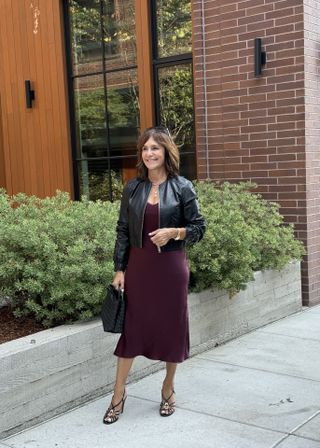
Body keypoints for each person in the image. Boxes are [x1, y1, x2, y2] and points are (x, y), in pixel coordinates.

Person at [103, 126, 206, 425]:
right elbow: (122, 230)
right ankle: (118, 394)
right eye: (145, 148)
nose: (149, 153)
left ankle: (167, 388)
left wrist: (174, 232)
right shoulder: (132, 188)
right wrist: (119, 269)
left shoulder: (183, 187)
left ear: (166, 152)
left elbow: (199, 227)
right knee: (132, 331)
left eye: (155, 148)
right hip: (139, 268)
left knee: (172, 329)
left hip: (171, 269)